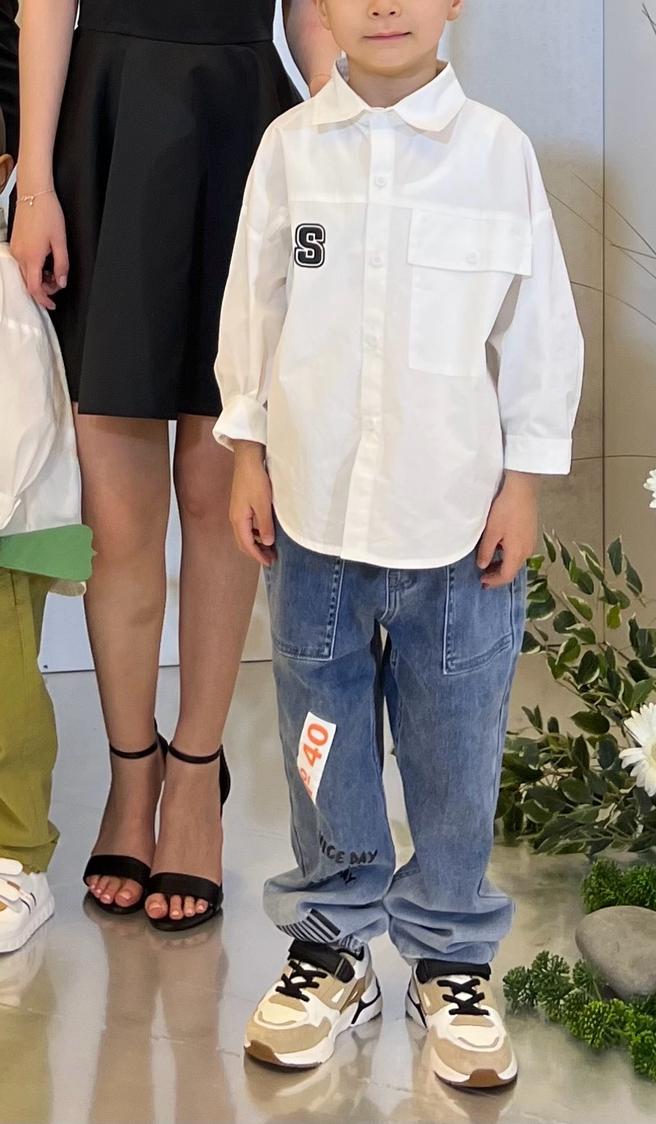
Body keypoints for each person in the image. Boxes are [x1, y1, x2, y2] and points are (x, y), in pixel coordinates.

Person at [215, 0, 584, 1089]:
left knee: (456, 749)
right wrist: (247, 452)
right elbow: (254, 311)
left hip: (458, 530)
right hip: (315, 520)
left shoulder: (498, 155)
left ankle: (451, 956)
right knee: (321, 738)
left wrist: (524, 481)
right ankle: (333, 942)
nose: (385, 5)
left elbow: (538, 328)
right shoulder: (290, 151)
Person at [10, 0, 339, 931]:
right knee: (117, 516)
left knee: (218, 487)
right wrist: (35, 186)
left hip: (243, 125)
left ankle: (195, 771)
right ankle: (131, 771)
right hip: (105, 124)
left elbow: (313, 14)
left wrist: (340, 140)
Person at [0, 86, 93, 953]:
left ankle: (19, 855)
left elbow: (23, 422)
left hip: (9, 528)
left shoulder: (6, 292)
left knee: (8, 697)